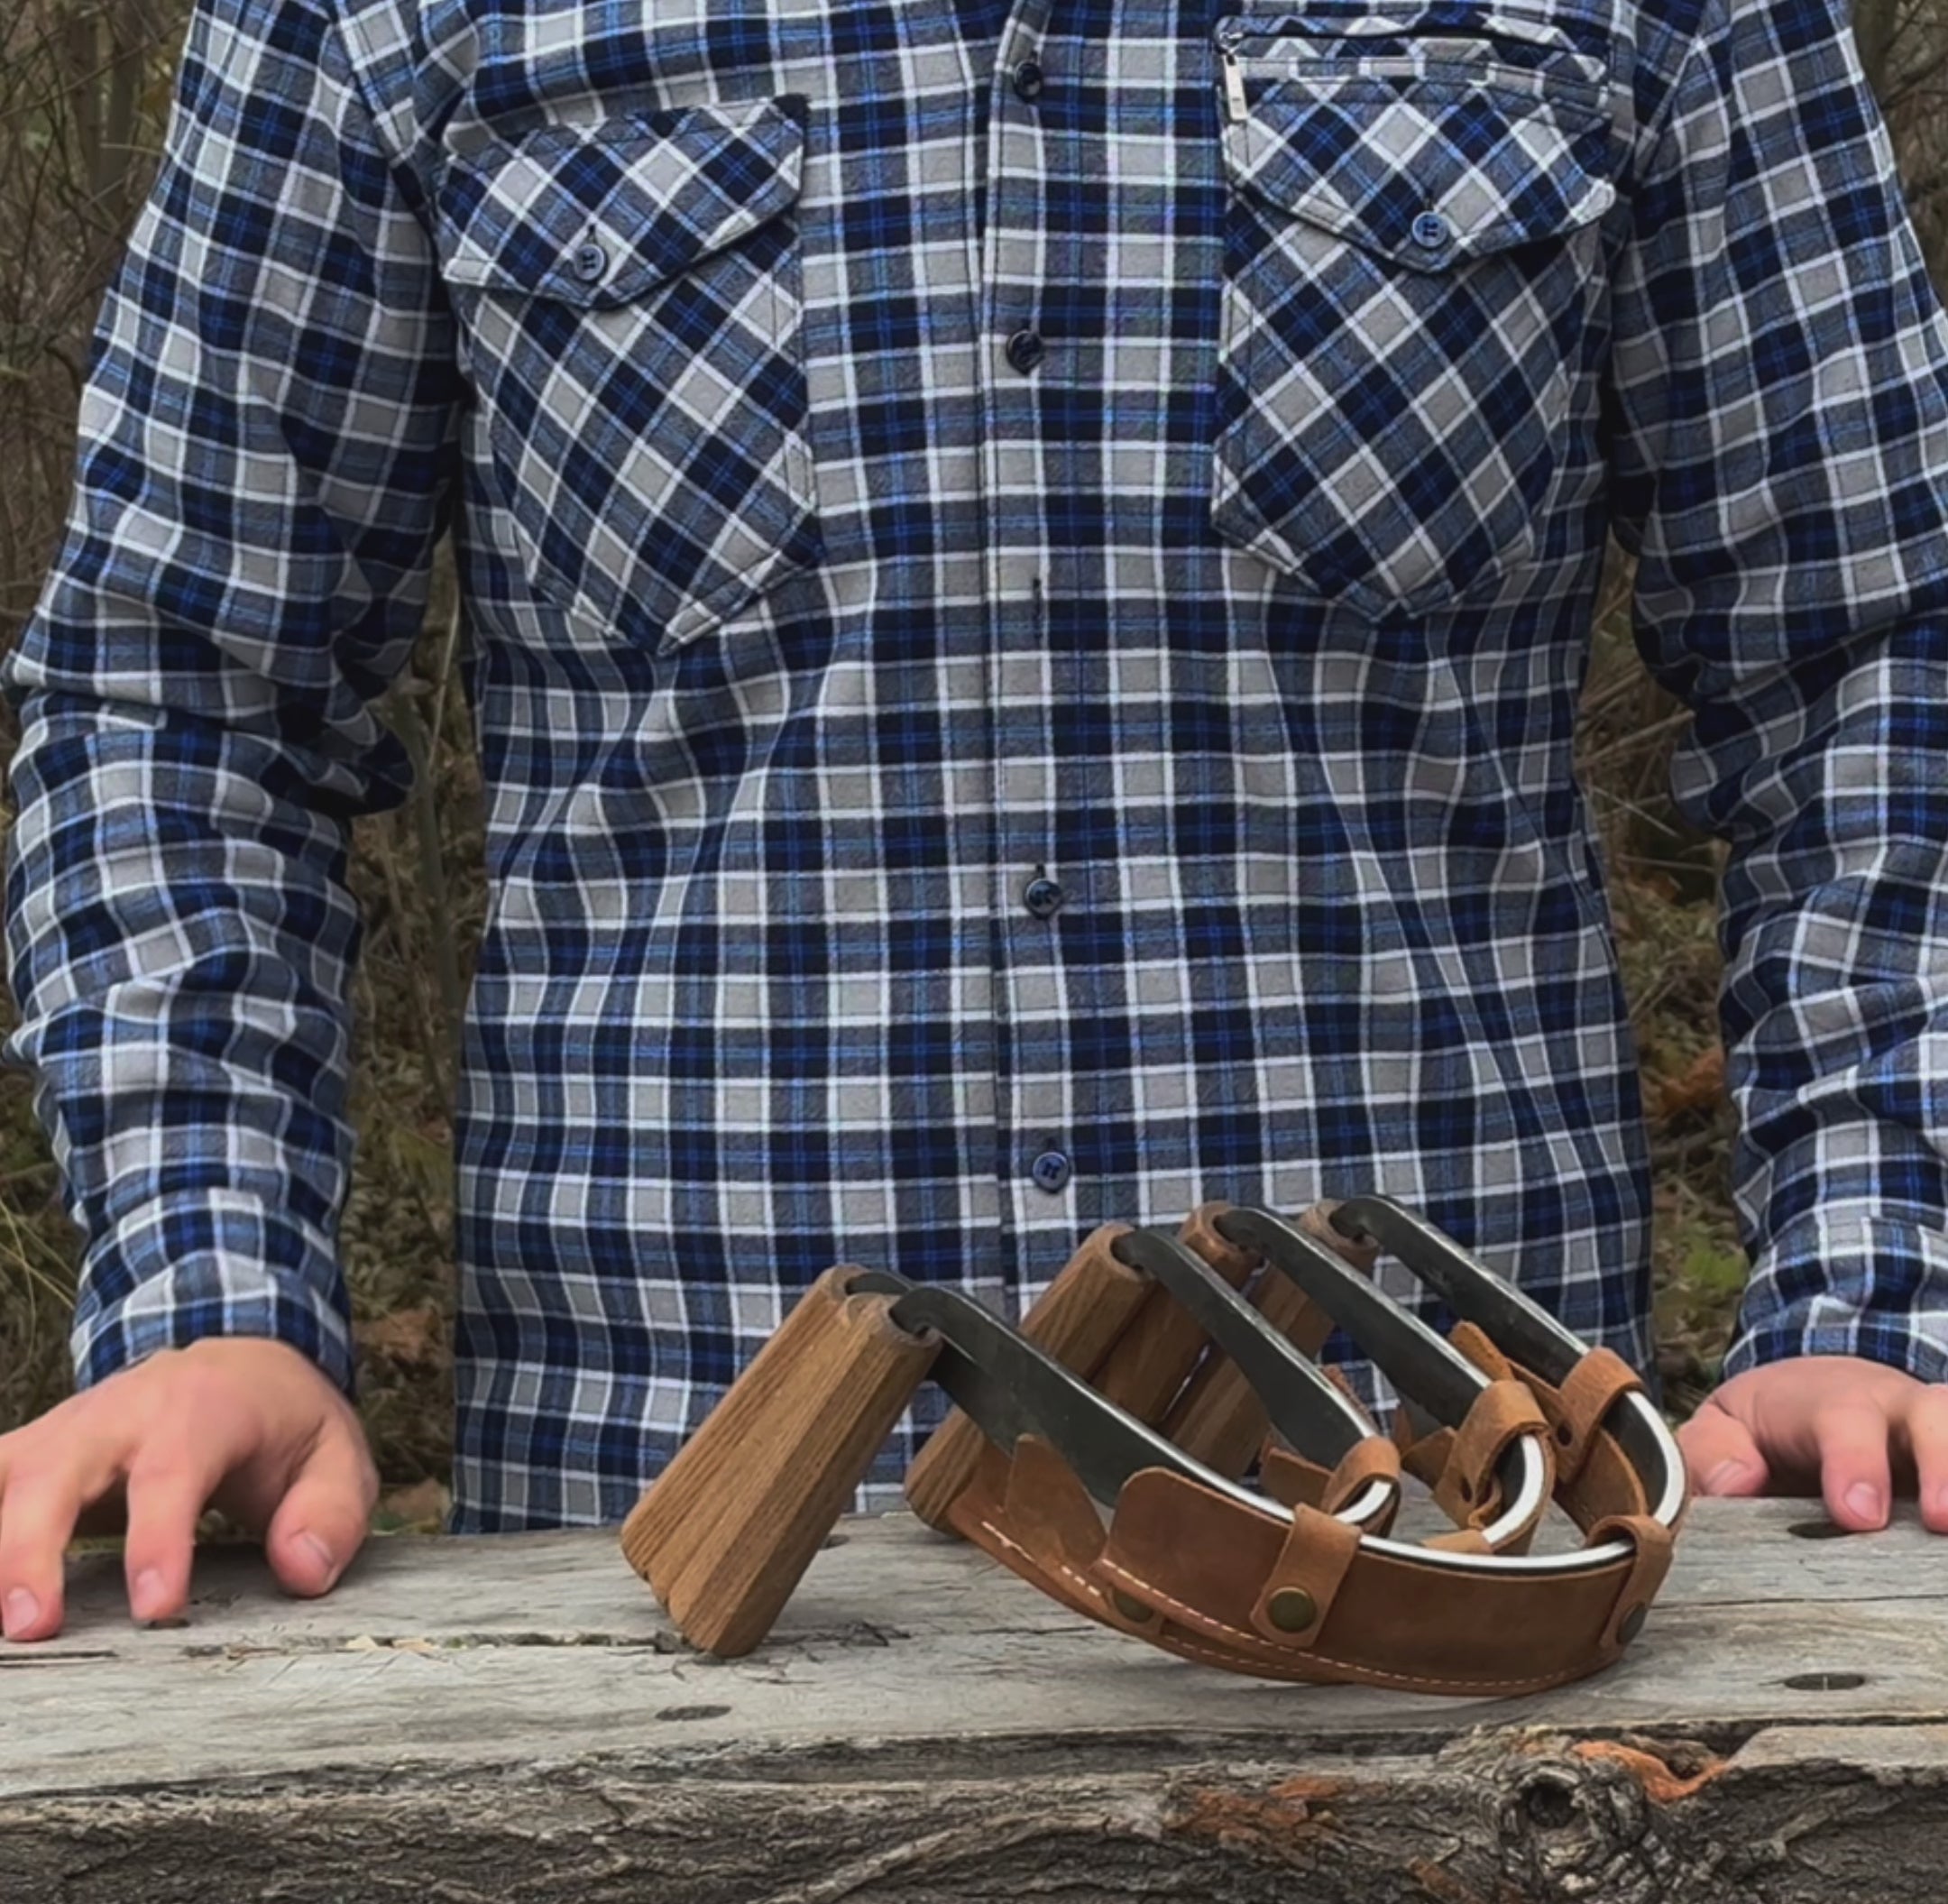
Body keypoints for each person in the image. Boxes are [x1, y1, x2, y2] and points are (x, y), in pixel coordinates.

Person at [4, 0, 1948, 1646]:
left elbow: (1869, 659)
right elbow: (182, 697)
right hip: (657, 1593)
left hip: (1462, 1572)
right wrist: (210, 1298)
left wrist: (1871, 1293)